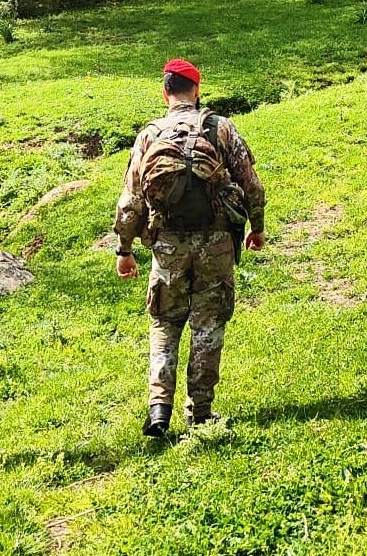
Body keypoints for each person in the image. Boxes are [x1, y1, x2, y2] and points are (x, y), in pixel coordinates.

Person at [114, 59, 266, 437]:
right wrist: (257, 228)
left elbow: (130, 200)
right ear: (197, 90)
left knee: (164, 322)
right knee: (208, 324)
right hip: (216, 244)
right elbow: (252, 186)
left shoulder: (149, 136)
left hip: (167, 244)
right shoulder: (221, 129)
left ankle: (159, 408)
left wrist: (125, 249)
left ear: (164, 92)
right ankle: (199, 411)